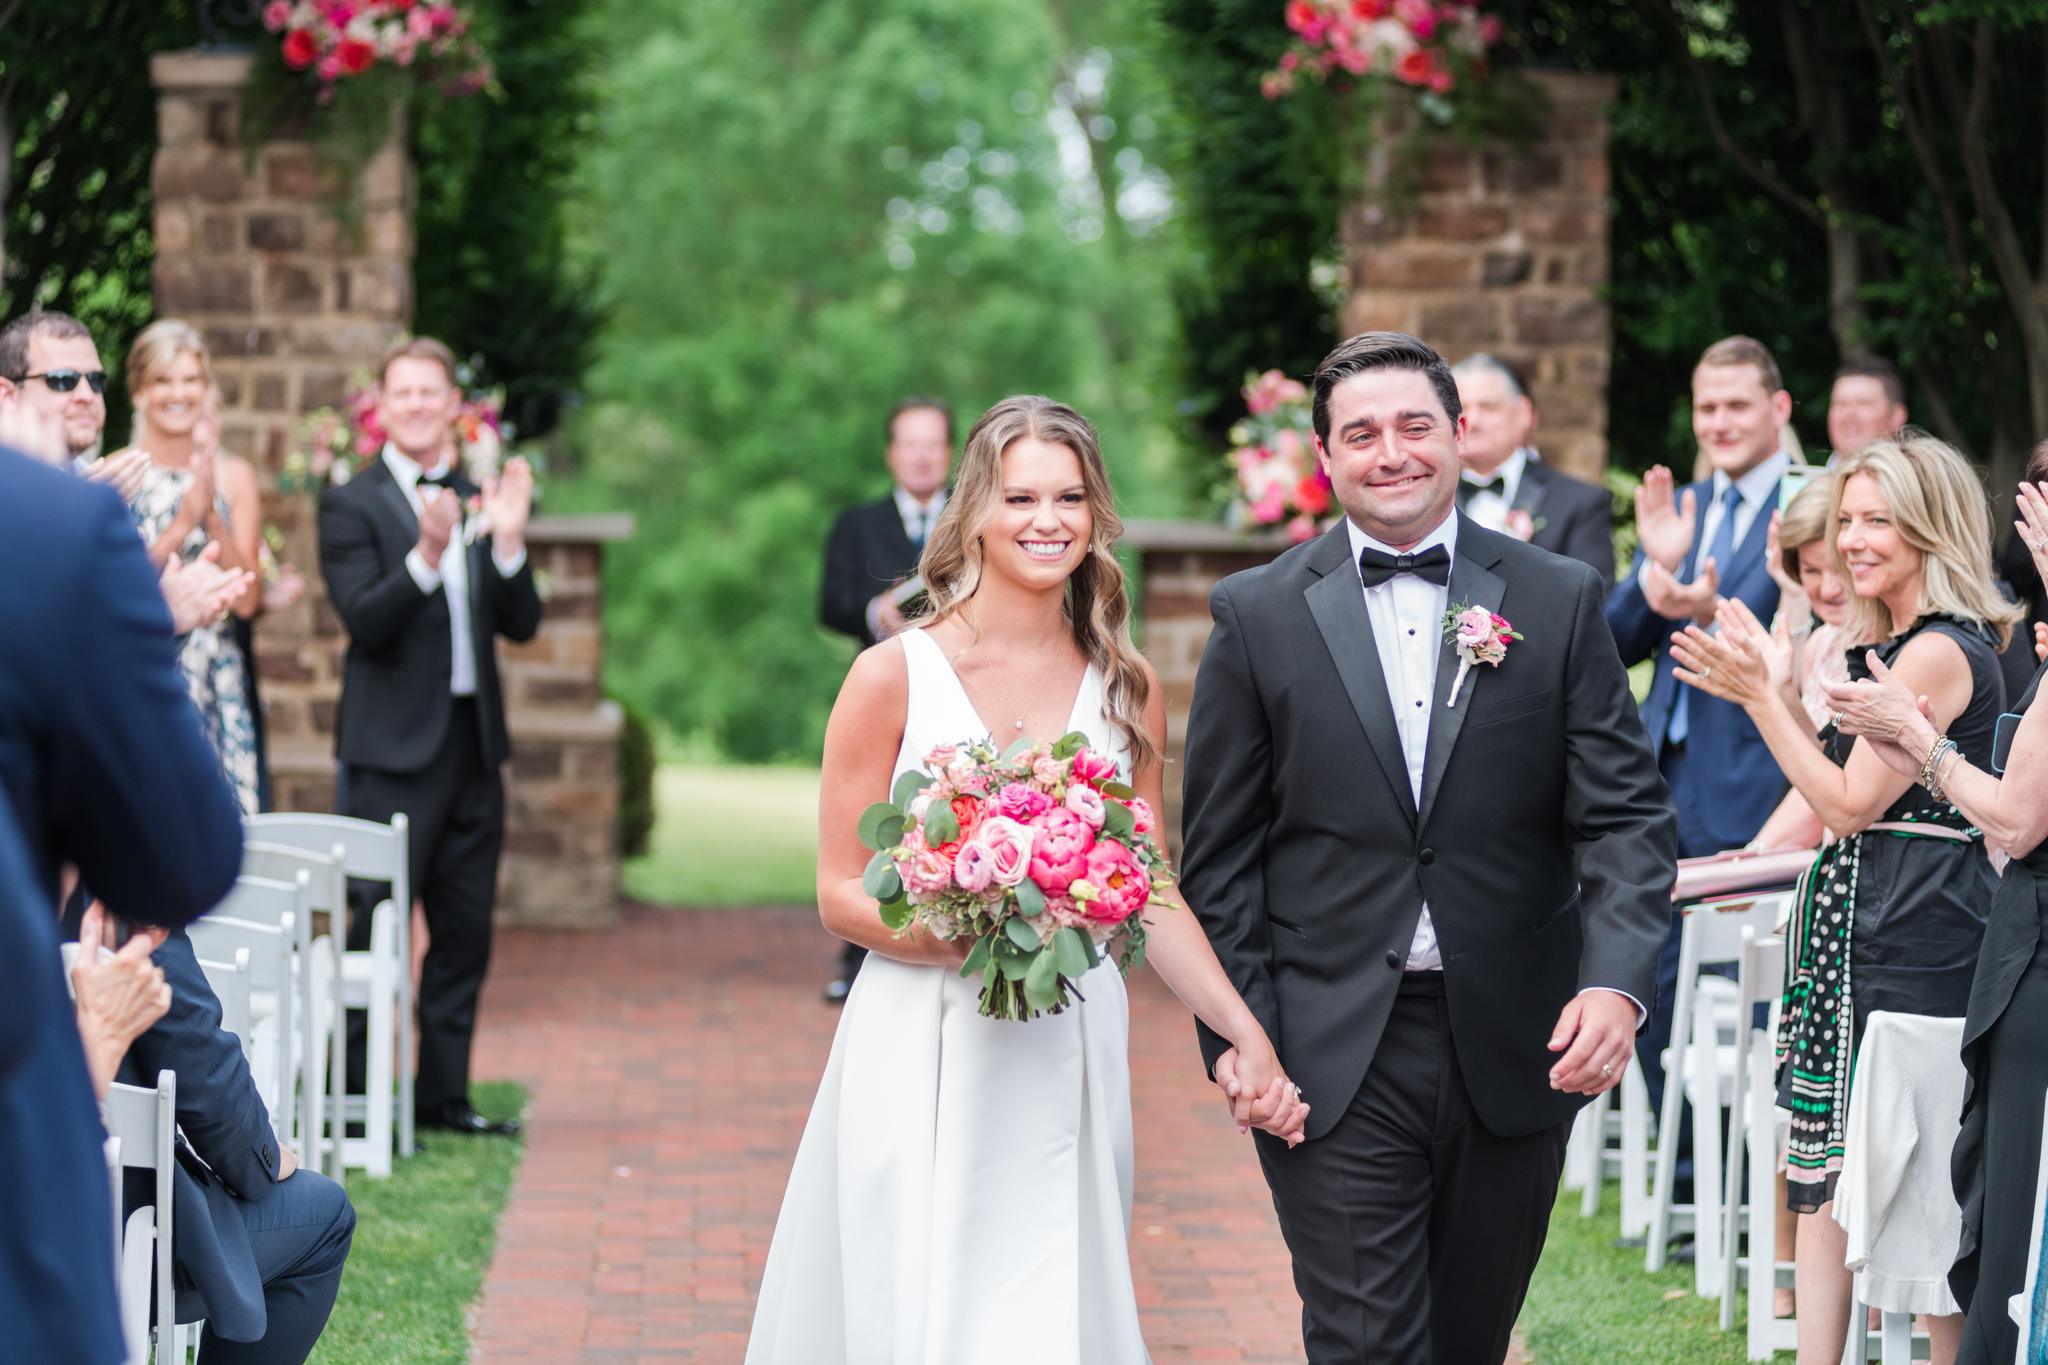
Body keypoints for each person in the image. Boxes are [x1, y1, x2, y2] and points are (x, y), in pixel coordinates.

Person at [748, 395, 1308, 1364]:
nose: (1045, 520)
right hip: (917, 1035)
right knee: (910, 1290)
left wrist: (1242, 1029)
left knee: (1049, 1287)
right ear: (971, 512)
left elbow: (1149, 886)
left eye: (1069, 497)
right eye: (1018, 498)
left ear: (1095, 516)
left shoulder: (1123, 684)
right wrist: (960, 930)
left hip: (1067, 1030)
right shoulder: (891, 674)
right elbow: (839, 892)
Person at [1180, 332, 1675, 1365]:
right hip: (1326, 1047)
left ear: (1458, 435)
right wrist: (1240, 1037)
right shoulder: (1256, 614)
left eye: (1413, 425)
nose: (1389, 451)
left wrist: (1616, 987)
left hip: (1516, 1039)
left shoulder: (1555, 597)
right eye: (1359, 433)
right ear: (1323, 457)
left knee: (1466, 1338)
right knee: (1365, 1342)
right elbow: (1218, 861)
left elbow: (1623, 819)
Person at [1670, 432, 2017, 1365]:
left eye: (1877, 519)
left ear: (1928, 526)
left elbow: (1849, 803)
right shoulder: (1886, 644)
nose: (1854, 539)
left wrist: (1760, 698)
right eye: (1848, 518)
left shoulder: (1941, 651)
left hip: (1919, 939)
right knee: (1819, 1177)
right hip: (1859, 935)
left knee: (1924, 1198)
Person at [1827, 462, 2048, 1365]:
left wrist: (1919, 741)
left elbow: (2017, 819)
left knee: (2008, 1220)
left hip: (2003, 942)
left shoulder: (1947, 647)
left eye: (1876, 518)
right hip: (2004, 937)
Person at [319, 335, 541, 1137]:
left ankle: (443, 1096)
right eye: (401, 392)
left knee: (463, 931)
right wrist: (428, 552)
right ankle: (347, 1100)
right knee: (371, 926)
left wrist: (508, 540)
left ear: (454, 404)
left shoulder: (485, 496)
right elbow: (365, 623)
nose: (416, 404)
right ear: (382, 407)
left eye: (430, 391)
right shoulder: (350, 502)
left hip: (473, 747)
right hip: (389, 756)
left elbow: (523, 623)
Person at [1605, 335, 1794, 1156]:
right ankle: (1686, 1170)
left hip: (1755, 781)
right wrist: (1657, 573)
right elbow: (1612, 639)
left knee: (1735, 992)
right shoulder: (1680, 507)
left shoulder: (1813, 502)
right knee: (1647, 976)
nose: (1718, 422)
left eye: (1736, 405)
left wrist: (1710, 610)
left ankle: (1741, 1180)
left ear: (1779, 410)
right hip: (1664, 782)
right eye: (1706, 406)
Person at [816, 396, 955, 1003]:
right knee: (873, 816)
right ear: (891, 452)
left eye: (933, 443)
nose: (922, 455)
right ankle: (862, 947)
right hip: (881, 694)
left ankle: (950, 924)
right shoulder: (856, 522)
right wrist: (877, 613)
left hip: (955, 686)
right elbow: (829, 600)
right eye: (910, 443)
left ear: (948, 453)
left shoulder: (974, 517)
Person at [116, 322, 265, 816]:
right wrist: (181, 526)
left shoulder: (235, 475)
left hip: (218, 676)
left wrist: (212, 522)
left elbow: (247, 601)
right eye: (163, 381)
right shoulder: (119, 473)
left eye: (190, 380)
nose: (178, 393)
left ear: (206, 389)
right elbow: (113, 596)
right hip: (146, 673)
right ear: (139, 392)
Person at [1449, 352, 1616, 591]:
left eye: (1488, 407)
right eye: (1461, 409)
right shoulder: (1426, 500)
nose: (1473, 421)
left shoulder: (1579, 504)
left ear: (1524, 413)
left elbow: (1594, 604)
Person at [0, 310, 150, 500]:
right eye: (62, 380)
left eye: (95, 380)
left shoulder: (105, 481)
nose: (87, 395)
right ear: (7, 395)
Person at [1826, 357, 1909, 459]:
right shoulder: (1811, 475)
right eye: (1840, 404)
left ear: (1896, 417)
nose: (1849, 413)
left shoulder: (1921, 474)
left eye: (1864, 403)